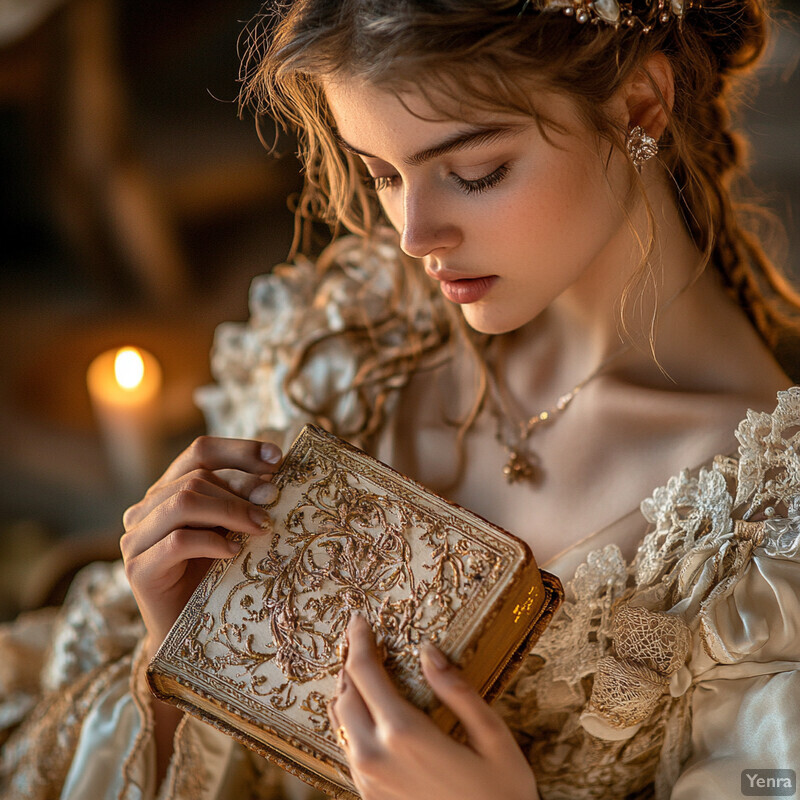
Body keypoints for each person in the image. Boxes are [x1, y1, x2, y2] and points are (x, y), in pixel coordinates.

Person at [2, 0, 799, 798]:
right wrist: (178, 661)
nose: (416, 234)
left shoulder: (767, 540)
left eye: (475, 171)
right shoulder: (349, 340)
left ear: (639, 107)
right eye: (384, 174)